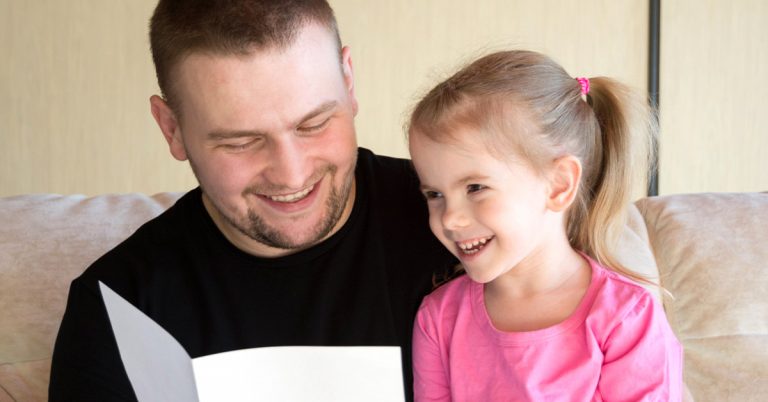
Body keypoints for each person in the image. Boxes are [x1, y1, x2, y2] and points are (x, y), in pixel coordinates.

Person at [48, 1, 454, 400]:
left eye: (313, 124)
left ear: (348, 84)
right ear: (172, 128)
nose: (291, 174)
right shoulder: (121, 306)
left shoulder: (466, 225)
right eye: (241, 142)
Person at [407, 50, 683, 401]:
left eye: (475, 188)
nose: (450, 218)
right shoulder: (439, 319)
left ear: (558, 185)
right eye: (434, 193)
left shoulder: (625, 318)